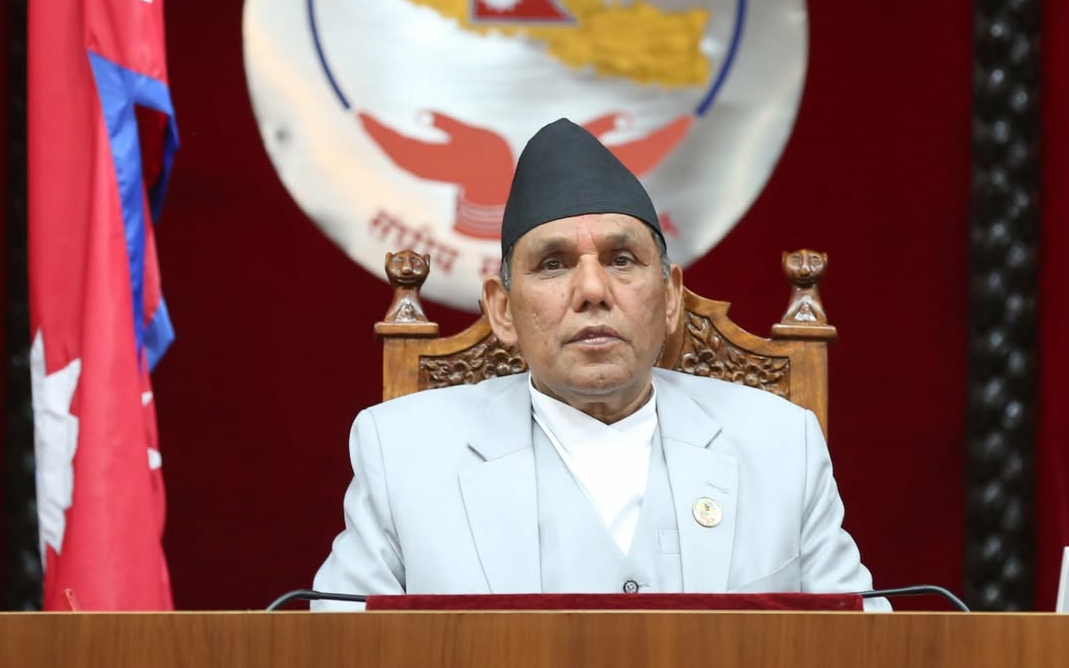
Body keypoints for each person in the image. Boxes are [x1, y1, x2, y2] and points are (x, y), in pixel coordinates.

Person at [313, 117, 885, 607]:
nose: (592, 290)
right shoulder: (403, 453)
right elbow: (340, 661)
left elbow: (866, 657)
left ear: (671, 299)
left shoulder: (781, 445)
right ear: (503, 311)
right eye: (554, 264)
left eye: (621, 259)